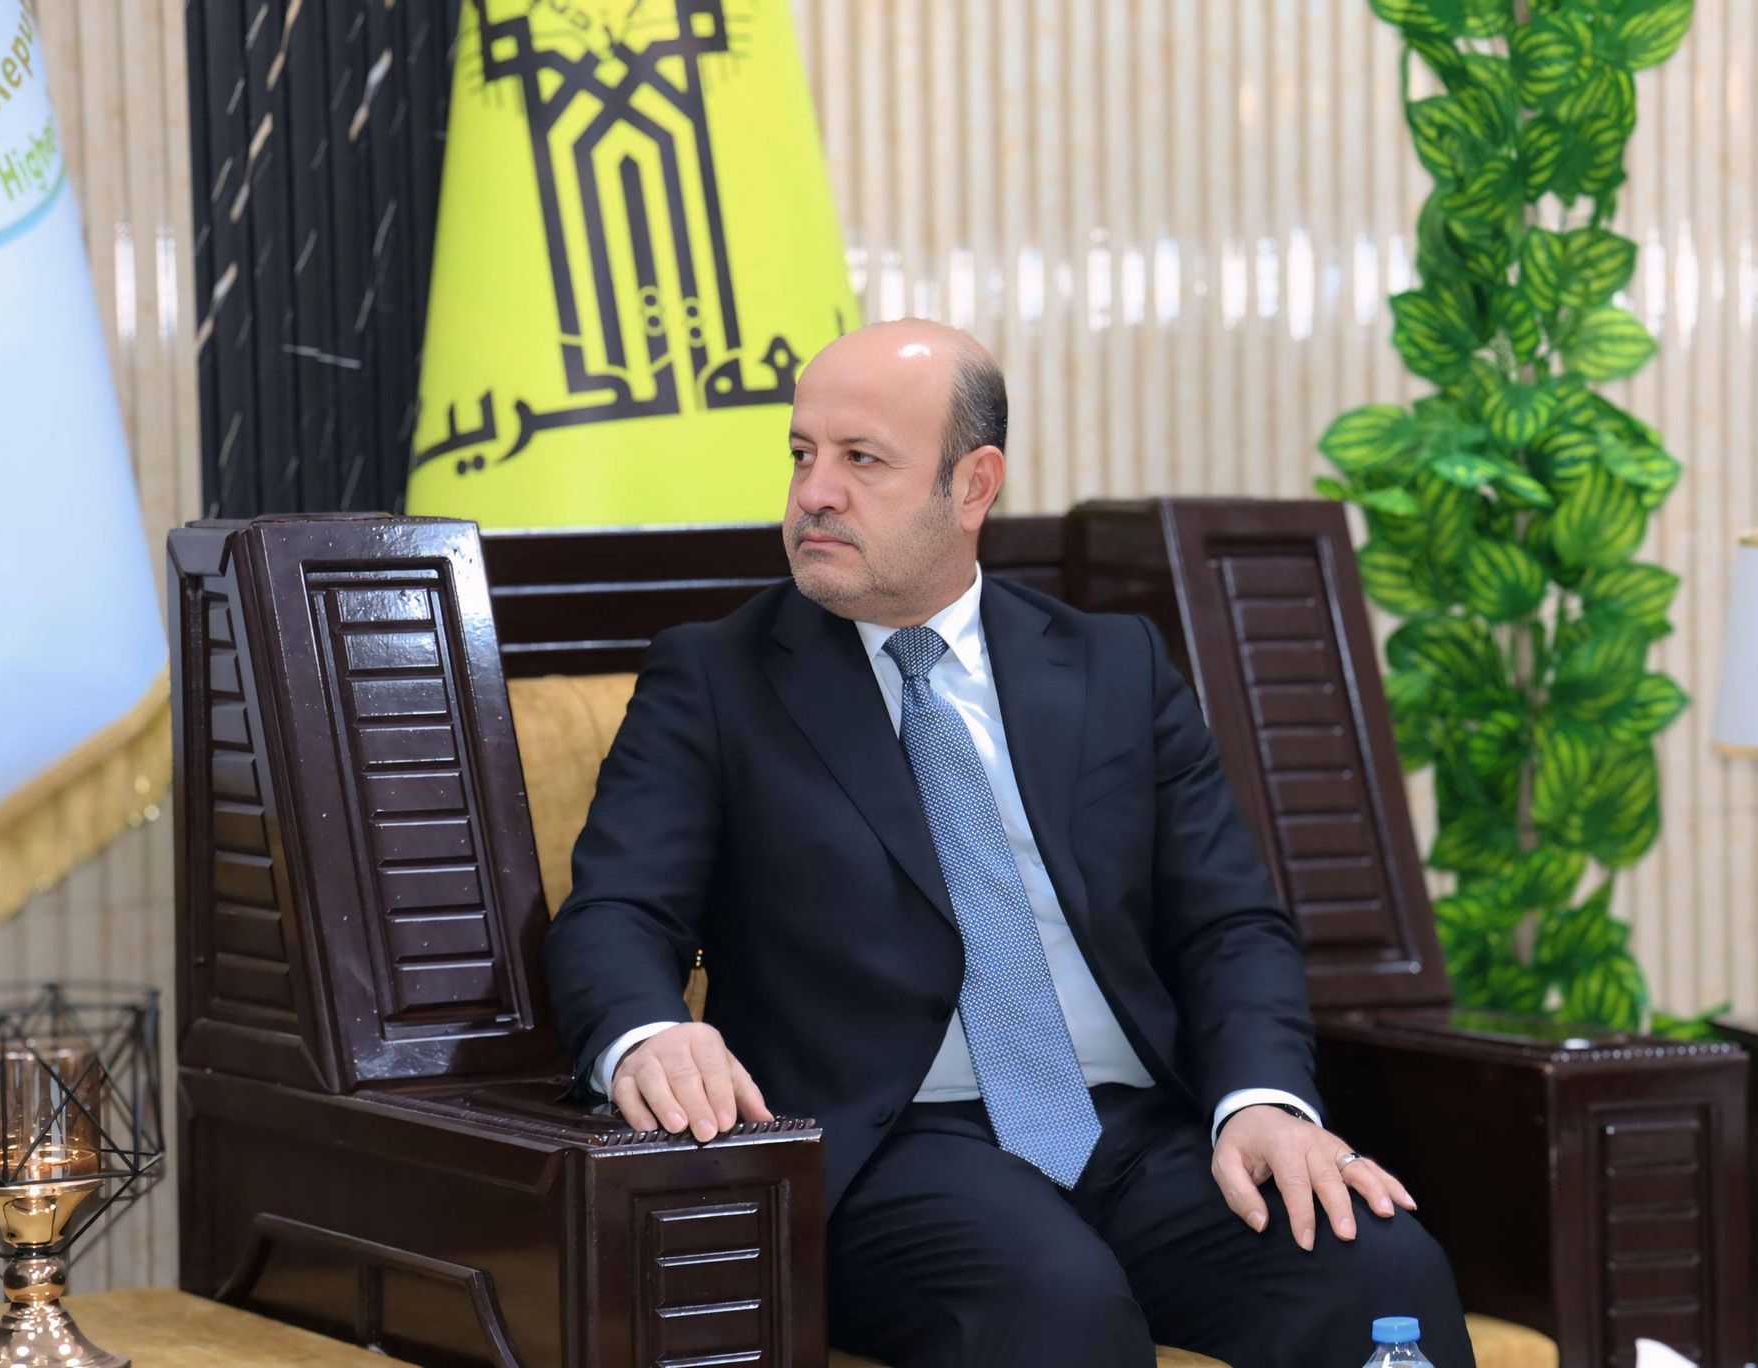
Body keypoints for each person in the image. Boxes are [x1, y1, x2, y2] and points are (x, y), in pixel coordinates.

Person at [542, 319, 1476, 1368]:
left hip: (1133, 1132)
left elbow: (1229, 924)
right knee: (1056, 1309)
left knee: (1378, 1266)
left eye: (861, 460)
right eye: (802, 455)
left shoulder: (1114, 665)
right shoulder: (716, 678)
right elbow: (616, 912)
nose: (814, 493)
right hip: (890, 1147)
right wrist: (649, 1033)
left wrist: (1260, 1103)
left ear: (973, 485)